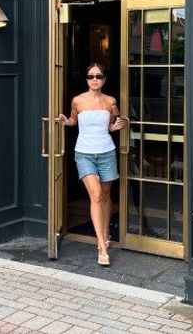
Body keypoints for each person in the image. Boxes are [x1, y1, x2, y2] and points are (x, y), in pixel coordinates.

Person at [56, 62, 125, 266]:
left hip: (106, 153)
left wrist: (116, 126)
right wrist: (65, 121)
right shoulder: (77, 100)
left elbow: (113, 123)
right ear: (86, 79)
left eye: (98, 76)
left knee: (105, 195)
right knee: (95, 195)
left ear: (104, 79)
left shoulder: (110, 101)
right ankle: (102, 247)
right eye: (90, 76)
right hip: (84, 153)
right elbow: (73, 120)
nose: (94, 79)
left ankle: (105, 232)